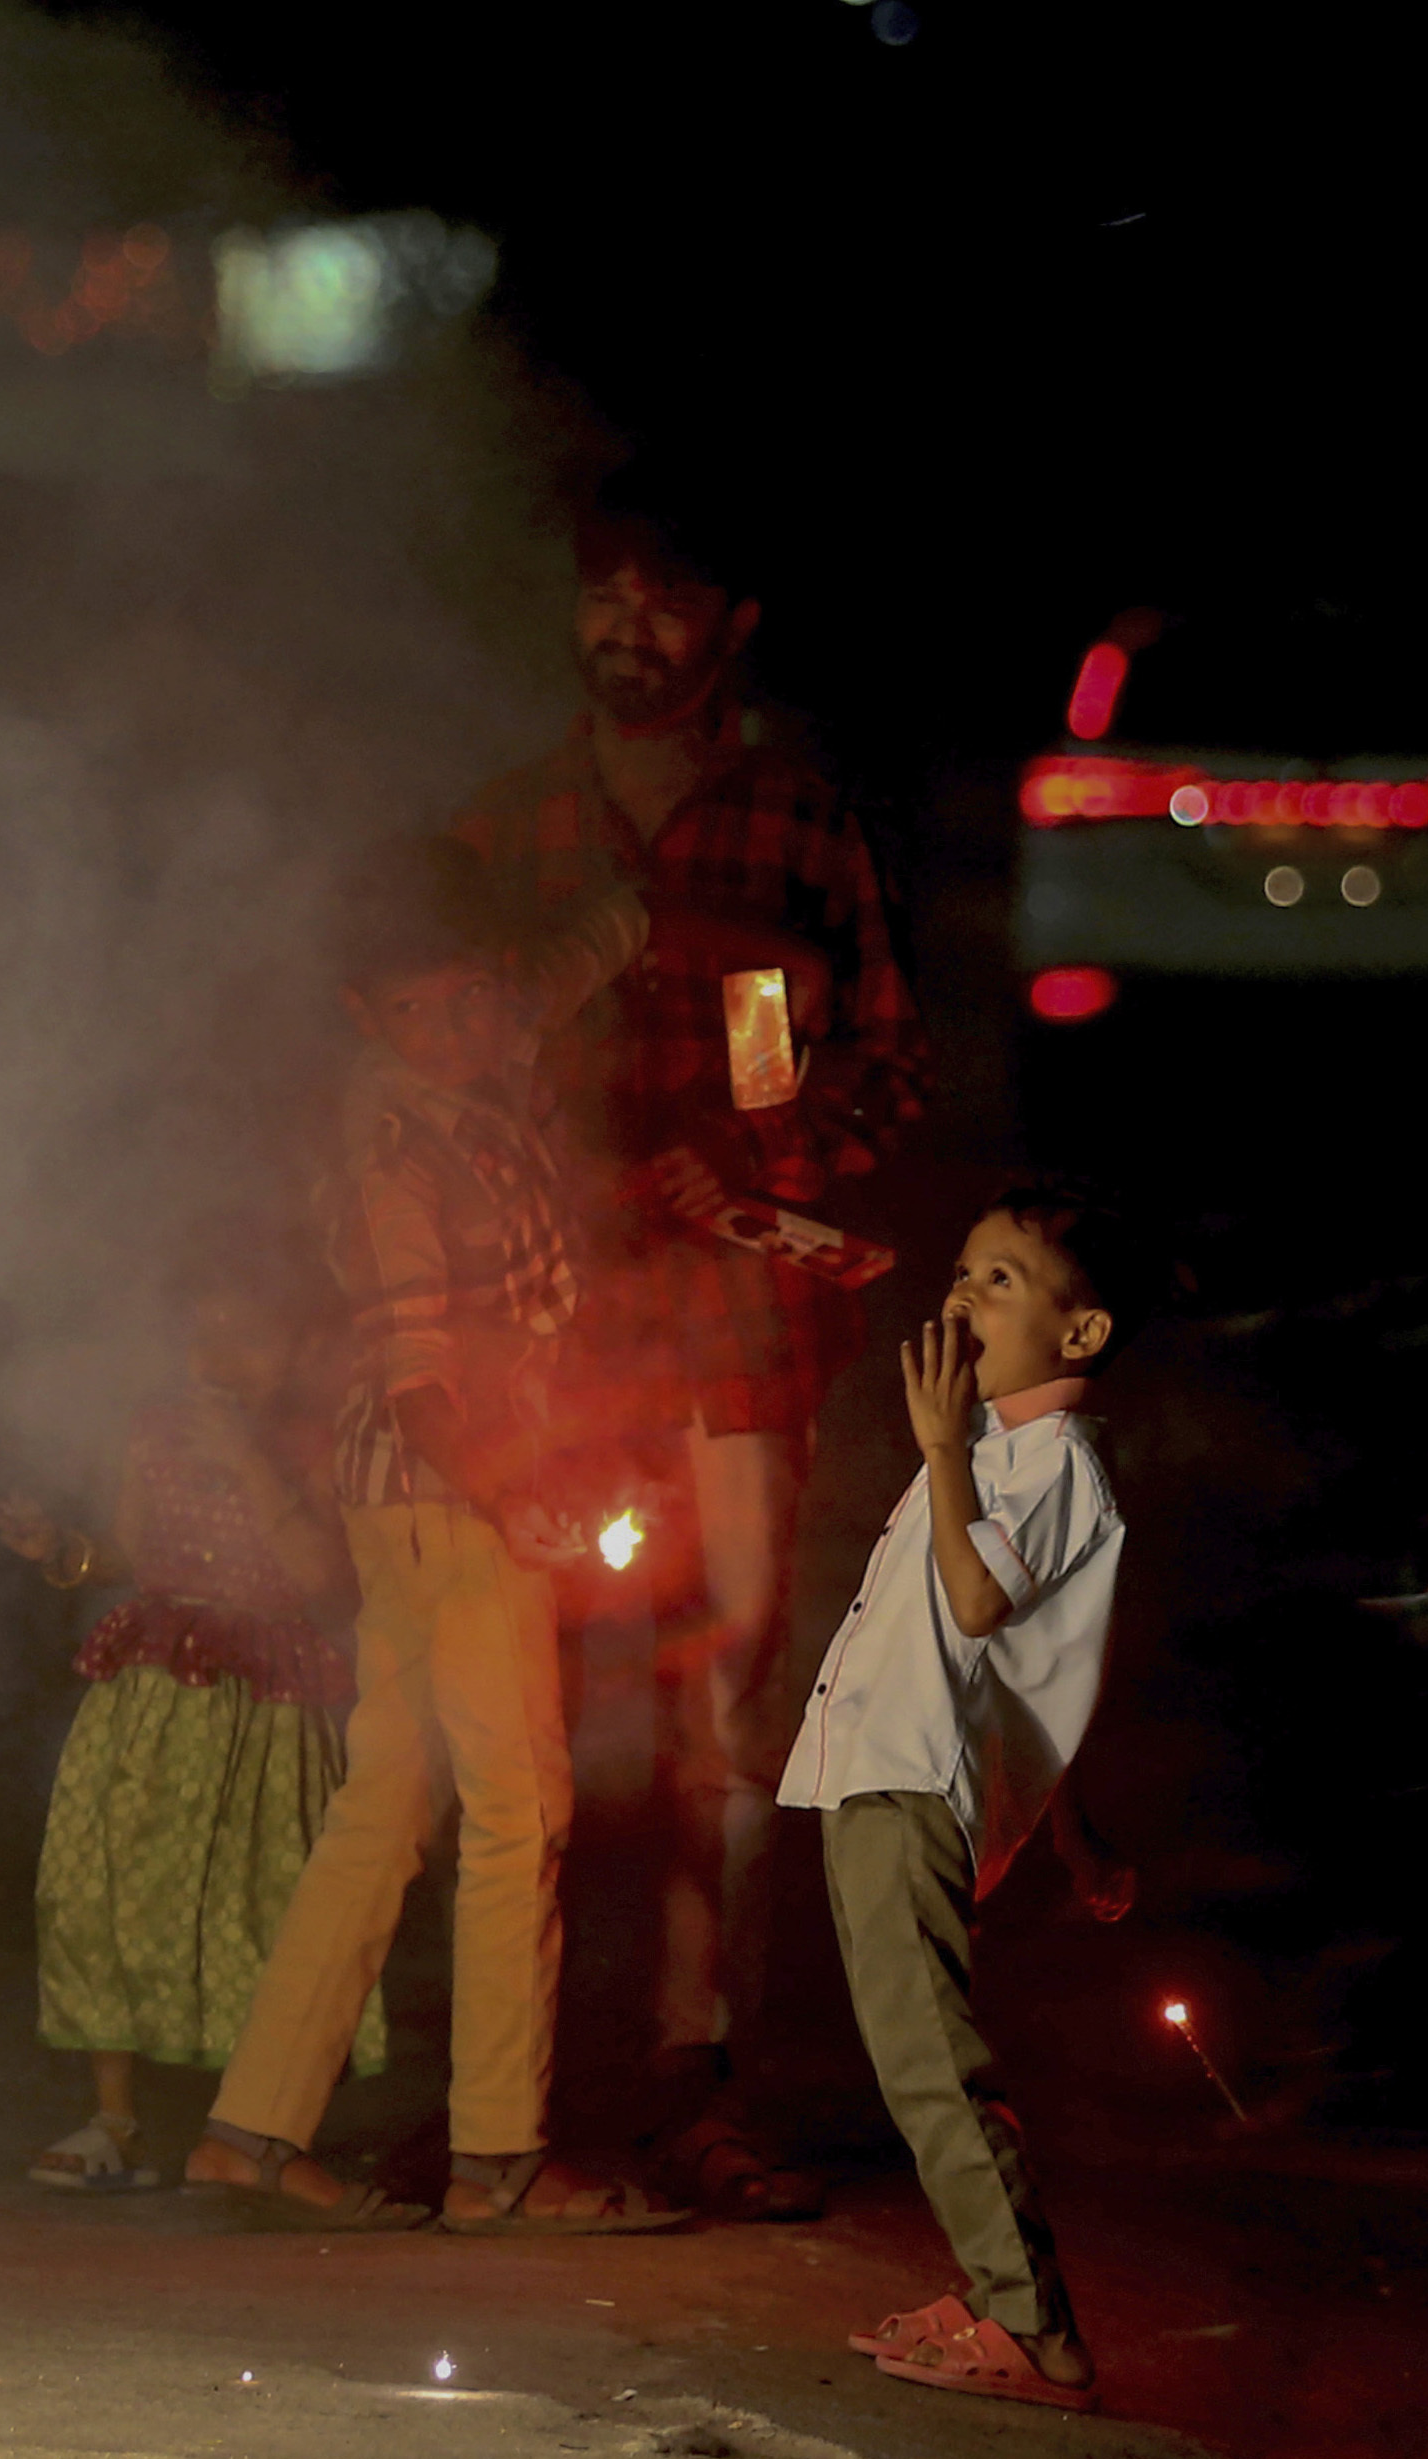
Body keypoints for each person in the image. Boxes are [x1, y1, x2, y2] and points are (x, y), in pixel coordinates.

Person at [447, 477, 923, 2217]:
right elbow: (422, 1068)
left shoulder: (794, 823)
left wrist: (751, 1155)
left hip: (734, 1330)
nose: (622, 627)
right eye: (601, 597)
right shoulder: (503, 839)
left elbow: (879, 1065)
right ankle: (512, 2094)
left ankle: (696, 2078)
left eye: (662, 599)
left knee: (718, 1711)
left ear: (729, 626)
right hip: (544, 1349)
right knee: (529, 1716)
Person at [181, 843, 671, 2236]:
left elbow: (565, 970)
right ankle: (497, 2161)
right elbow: (416, 1373)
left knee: (384, 1804)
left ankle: (250, 2128)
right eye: (423, 1012)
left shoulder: (481, 1063)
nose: (461, 1031)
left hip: (406, 1505)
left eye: (473, 1000)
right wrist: (513, 1490)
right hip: (445, 1495)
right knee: (520, 1810)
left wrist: (636, 902)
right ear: (360, 1013)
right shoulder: (394, 1157)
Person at [785, 1183, 1142, 2408]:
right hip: (884, 1770)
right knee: (918, 2054)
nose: (963, 1295)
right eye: (961, 1272)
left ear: (1080, 1333)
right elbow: (1027, 1672)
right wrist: (1076, 1832)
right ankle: (1004, 2298)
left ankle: (1035, 2329)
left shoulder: (1049, 1465)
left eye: (1001, 1278)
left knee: (932, 2060)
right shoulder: (995, 1456)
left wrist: (941, 1452)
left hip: (909, 1782)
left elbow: (982, 1607)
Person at [0, 1271, 372, 2193]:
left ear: (293, 1348)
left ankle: (259, 2132)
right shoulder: (154, 1427)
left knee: (263, 1903)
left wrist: (251, 1461)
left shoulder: (315, 1443)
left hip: (267, 1701)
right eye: (204, 1337)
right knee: (107, 1891)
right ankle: (114, 2120)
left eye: (247, 1337)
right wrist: (60, 1551)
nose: (221, 1359)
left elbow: (329, 1585)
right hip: (154, 1685)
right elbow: (123, 1549)